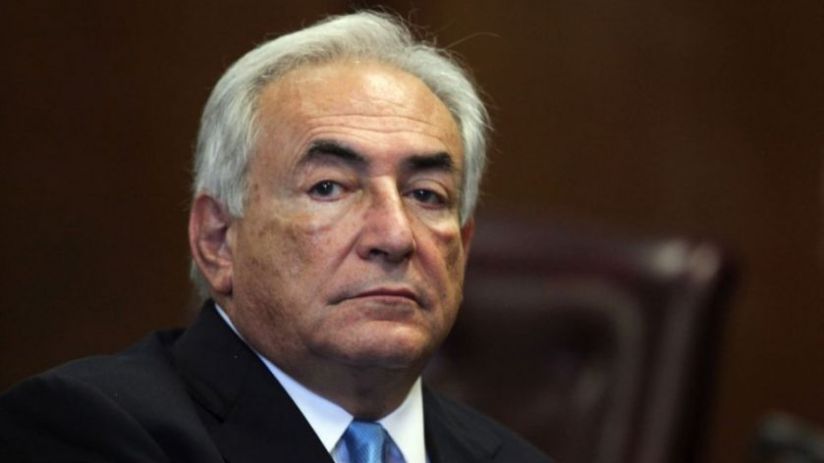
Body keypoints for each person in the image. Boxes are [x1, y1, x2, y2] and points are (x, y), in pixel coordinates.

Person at [0, 11, 551, 463]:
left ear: (463, 246)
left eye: (426, 195)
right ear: (218, 239)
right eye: (329, 188)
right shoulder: (88, 430)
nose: (394, 234)